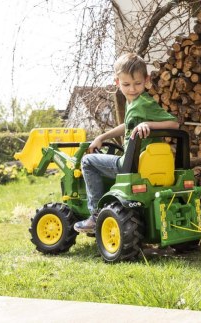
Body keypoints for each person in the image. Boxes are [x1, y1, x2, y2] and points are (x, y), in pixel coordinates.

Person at [74, 53, 179, 233]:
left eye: (137, 83)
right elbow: (127, 126)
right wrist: (102, 137)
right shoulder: (134, 103)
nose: (132, 89)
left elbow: (174, 124)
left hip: (131, 165)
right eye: (126, 84)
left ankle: (95, 215)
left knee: (87, 162)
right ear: (117, 83)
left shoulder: (144, 103)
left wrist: (149, 125)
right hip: (142, 163)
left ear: (146, 81)